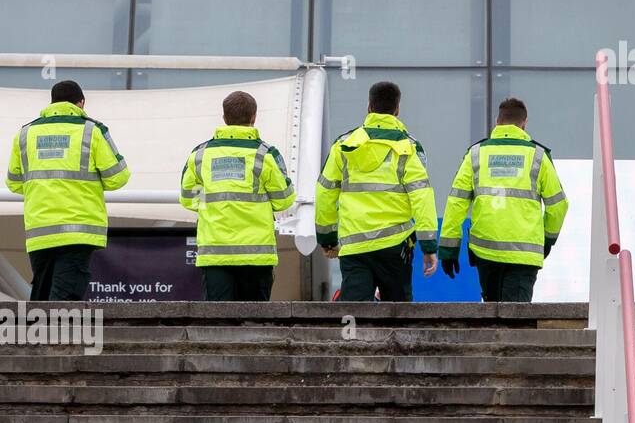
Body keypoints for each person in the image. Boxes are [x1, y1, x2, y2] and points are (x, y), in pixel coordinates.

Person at [5, 80, 130, 301]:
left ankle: (38, 335)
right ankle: (56, 335)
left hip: (40, 229)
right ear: (81, 103)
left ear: (52, 102)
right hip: (78, 228)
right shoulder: (92, 131)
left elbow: (14, 182)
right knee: (65, 299)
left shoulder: (25, 133)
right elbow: (118, 178)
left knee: (42, 294)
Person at [316, 81, 438, 302]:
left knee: (354, 315)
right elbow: (422, 196)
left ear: (369, 107)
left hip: (354, 246)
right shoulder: (409, 148)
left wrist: (327, 238)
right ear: (397, 110)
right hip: (395, 245)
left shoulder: (343, 145)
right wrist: (429, 244)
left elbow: (325, 191)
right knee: (398, 315)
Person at [438, 97, 568, 303]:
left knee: (491, 313)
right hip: (524, 256)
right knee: (516, 320)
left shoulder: (476, 154)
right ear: (524, 123)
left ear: (497, 121)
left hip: (485, 252)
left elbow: (457, 202)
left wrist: (449, 248)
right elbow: (558, 204)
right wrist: (547, 240)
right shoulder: (538, 156)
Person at [179, 91, 295, 302]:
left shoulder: (200, 154)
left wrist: (214, 205)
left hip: (215, 254)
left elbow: (188, 197)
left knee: (218, 322)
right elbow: (284, 200)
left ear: (224, 119)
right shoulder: (266, 155)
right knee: (256, 321)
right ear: (254, 118)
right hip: (257, 255)